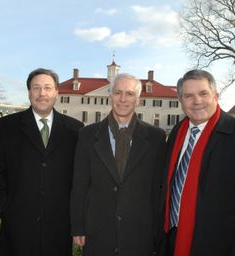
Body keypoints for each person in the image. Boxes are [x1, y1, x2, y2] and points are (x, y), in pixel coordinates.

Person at [160, 69, 235, 256]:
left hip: (221, 246)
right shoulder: (178, 133)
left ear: (216, 95)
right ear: (181, 102)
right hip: (172, 239)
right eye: (189, 96)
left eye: (203, 93)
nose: (197, 101)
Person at [70, 73, 167, 256]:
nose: (123, 99)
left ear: (138, 99)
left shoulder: (156, 137)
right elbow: (80, 184)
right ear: (110, 96)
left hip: (139, 232)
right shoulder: (87, 135)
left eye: (129, 94)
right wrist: (78, 226)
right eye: (118, 93)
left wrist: (157, 231)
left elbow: (158, 189)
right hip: (98, 231)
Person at [0, 68, 83, 255]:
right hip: (17, 226)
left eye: (48, 88)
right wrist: (5, 208)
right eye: (36, 88)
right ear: (29, 92)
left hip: (58, 227)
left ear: (57, 92)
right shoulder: (5, 127)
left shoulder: (75, 130)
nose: (42, 93)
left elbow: (79, 178)